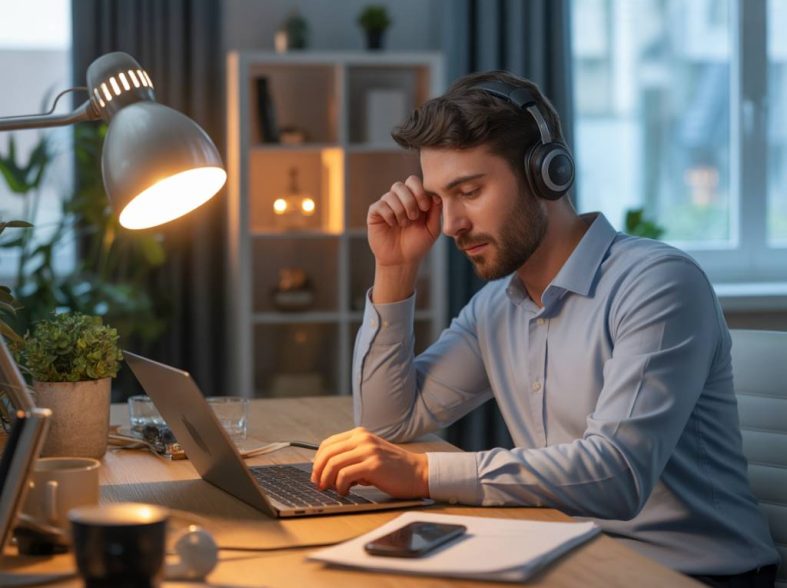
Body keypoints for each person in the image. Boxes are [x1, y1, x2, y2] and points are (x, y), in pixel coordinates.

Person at [310, 70, 779, 584]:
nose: (450, 226)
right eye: (441, 199)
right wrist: (394, 269)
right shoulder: (496, 308)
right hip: (566, 555)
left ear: (546, 175)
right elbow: (386, 424)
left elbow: (617, 475)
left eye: (469, 191)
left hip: (693, 575)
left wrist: (423, 473)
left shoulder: (658, 283)